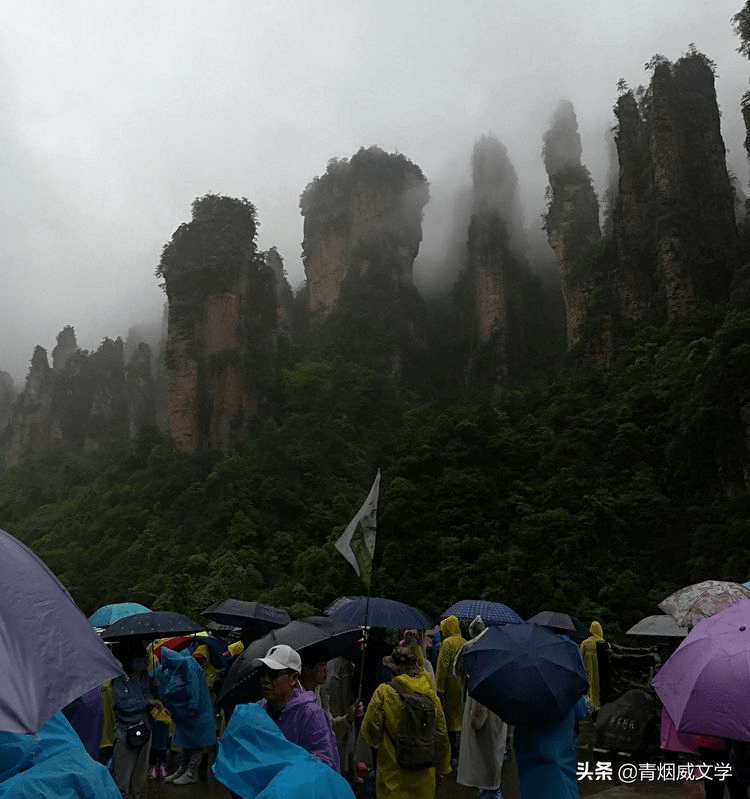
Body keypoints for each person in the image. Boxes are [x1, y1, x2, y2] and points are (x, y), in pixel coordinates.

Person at [361, 645, 451, 799]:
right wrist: (442, 768)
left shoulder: (384, 692)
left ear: (394, 669)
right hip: (424, 781)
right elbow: (442, 733)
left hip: (392, 780)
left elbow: (369, 730)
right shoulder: (430, 694)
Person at [256, 644, 341, 771]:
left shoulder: (312, 714)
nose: (265, 680)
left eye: (273, 674)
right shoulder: (257, 711)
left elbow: (325, 763)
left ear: (293, 678)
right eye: (263, 673)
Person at [456, 616, 508, 799]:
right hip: (499, 723)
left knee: (486, 774)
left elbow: (478, 715)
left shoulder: (480, 675)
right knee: (493, 768)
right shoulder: (501, 665)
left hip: (485, 728)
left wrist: (474, 721)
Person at [300, 645, 363, 779]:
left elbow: (329, 727)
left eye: (326, 664)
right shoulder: (296, 699)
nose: (326, 670)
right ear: (307, 669)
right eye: (322, 665)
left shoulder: (320, 693)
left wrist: (350, 717)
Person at [158, 647, 217, 786]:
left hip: (196, 713)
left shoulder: (188, 663)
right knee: (188, 743)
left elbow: (193, 685)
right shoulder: (182, 665)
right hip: (190, 714)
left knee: (196, 743)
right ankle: (184, 769)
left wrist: (193, 705)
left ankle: (191, 772)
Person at [514, 695, 589, 799]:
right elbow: (581, 710)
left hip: (529, 765)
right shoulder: (563, 685)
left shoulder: (519, 693)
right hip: (560, 764)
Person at [111, 646, 160, 799]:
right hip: (126, 731)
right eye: (139, 657)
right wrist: (147, 701)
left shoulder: (147, 680)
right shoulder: (120, 680)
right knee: (123, 776)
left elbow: (157, 700)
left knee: (139, 776)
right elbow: (123, 704)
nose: (143, 660)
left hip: (145, 731)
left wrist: (157, 688)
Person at [436, 614, 467, 765]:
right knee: (461, 718)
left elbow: (442, 667)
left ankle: (451, 754)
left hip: (449, 686)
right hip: (463, 684)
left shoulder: (447, 643)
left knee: (448, 721)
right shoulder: (465, 642)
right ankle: (460, 754)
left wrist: (439, 688)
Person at [580, 621, 605, 713]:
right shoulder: (604, 643)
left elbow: (580, 658)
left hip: (587, 673)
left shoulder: (585, 643)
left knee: (589, 692)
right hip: (601, 674)